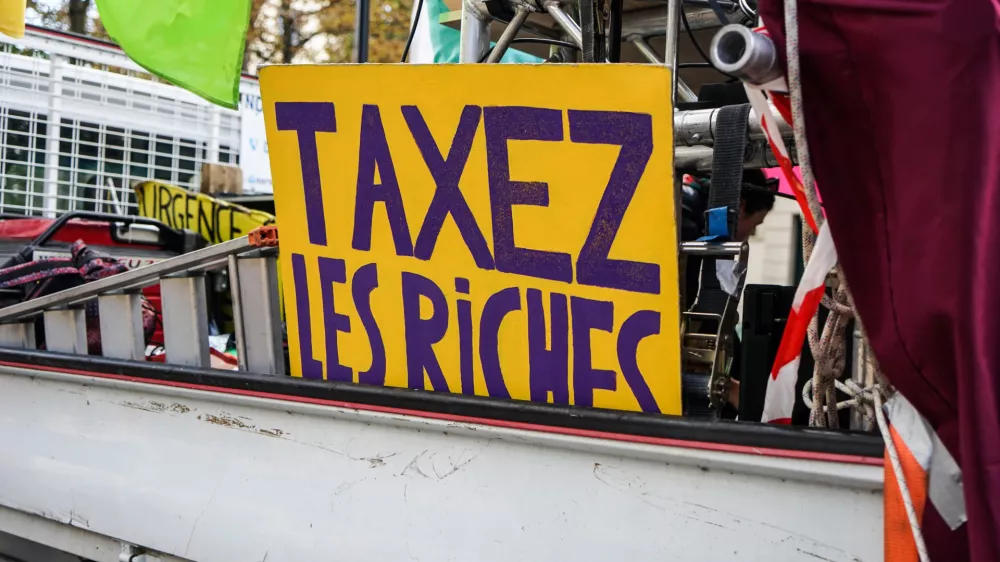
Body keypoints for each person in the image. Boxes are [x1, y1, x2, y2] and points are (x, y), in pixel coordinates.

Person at [680, 170, 778, 415]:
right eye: (755, 225)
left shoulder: (684, 208)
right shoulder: (690, 231)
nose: (750, 235)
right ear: (740, 206)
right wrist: (731, 387)